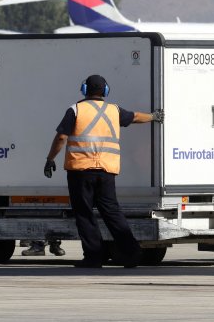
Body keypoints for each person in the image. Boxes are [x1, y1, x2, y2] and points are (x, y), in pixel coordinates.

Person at [44, 74, 163, 268]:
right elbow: (135, 117)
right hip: (107, 171)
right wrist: (154, 117)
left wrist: (50, 159)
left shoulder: (76, 109)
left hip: (81, 170)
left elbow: (61, 138)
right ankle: (132, 254)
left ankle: (94, 257)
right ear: (105, 91)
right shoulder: (114, 110)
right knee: (112, 212)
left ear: (84, 90)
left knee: (84, 213)